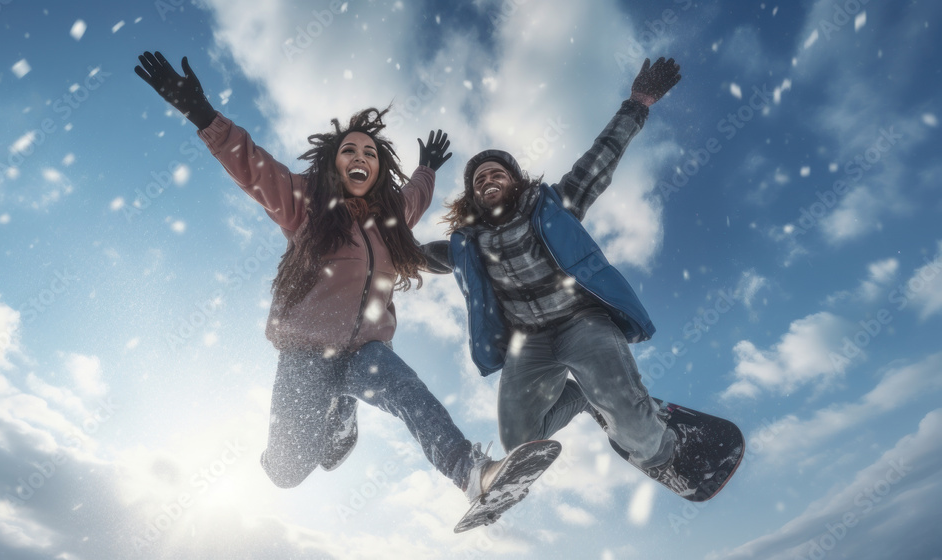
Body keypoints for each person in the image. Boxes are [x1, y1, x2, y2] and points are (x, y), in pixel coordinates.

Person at [134, 51, 559, 516]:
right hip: (306, 352)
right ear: (333, 163)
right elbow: (254, 168)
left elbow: (414, 196)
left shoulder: (392, 218)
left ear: (378, 170)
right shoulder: (304, 204)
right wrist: (202, 114)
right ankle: (333, 423)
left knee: (409, 391)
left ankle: (473, 474)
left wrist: (427, 168)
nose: (360, 157)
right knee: (288, 471)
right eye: (349, 151)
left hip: (368, 351)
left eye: (369, 153)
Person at [426, 58, 733, 497]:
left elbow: (598, 161)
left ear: (514, 180)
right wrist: (388, 252)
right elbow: (427, 257)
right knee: (520, 448)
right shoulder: (468, 243)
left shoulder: (551, 204)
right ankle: (581, 398)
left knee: (637, 433)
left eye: (497, 173)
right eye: (479, 179)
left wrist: (638, 104)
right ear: (473, 194)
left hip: (580, 323)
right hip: (527, 344)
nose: (488, 180)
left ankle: (664, 450)